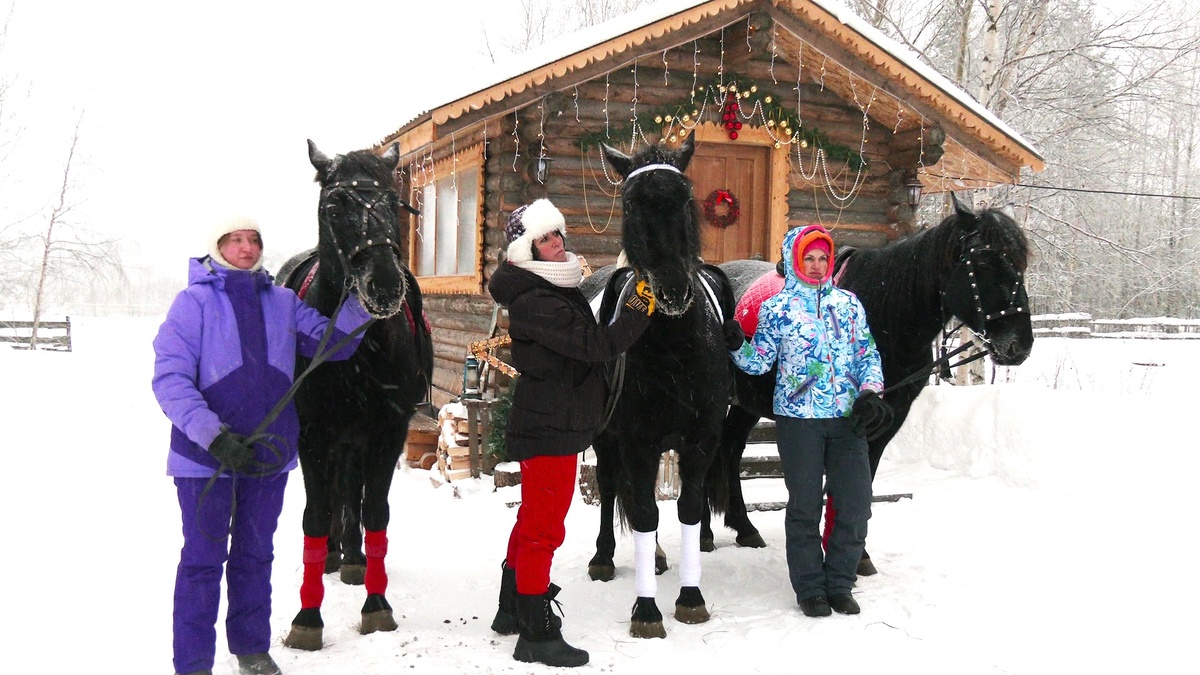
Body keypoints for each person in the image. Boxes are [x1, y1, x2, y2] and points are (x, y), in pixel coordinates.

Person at [152, 216, 373, 675]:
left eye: (253, 240)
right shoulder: (192, 304)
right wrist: (214, 436)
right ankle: (192, 663)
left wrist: (367, 301)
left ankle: (251, 648)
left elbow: (335, 342)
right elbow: (170, 380)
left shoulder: (283, 302)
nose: (247, 248)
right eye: (236, 239)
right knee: (202, 560)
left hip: (268, 457)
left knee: (256, 554)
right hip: (203, 461)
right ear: (217, 245)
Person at [486, 199, 655, 667]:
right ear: (527, 250)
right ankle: (536, 634)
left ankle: (510, 609)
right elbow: (595, 346)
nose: (556, 242)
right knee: (544, 529)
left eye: (557, 233)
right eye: (544, 238)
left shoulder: (553, 287)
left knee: (531, 521)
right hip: (549, 429)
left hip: (551, 422)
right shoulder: (537, 299)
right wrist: (638, 312)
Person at [724, 223, 887, 618]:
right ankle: (811, 588)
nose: (816, 266)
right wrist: (735, 345)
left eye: (822, 259)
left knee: (855, 504)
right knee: (805, 506)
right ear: (794, 261)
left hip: (848, 420)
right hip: (799, 421)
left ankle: (840, 583)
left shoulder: (849, 305)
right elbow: (760, 363)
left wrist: (870, 391)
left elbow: (868, 355)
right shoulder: (777, 308)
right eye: (808, 259)